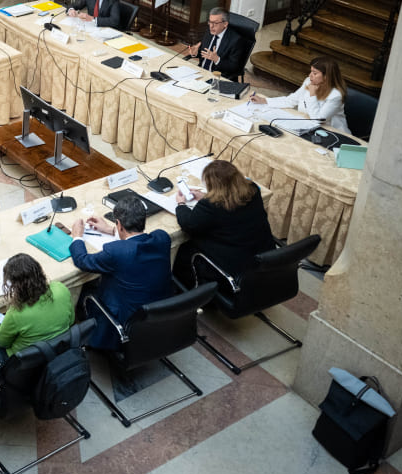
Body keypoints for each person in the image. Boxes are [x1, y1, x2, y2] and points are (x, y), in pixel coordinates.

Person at [70, 197, 172, 351]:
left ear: (118, 223)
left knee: (85, 292)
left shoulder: (116, 252)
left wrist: (77, 236)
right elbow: (137, 239)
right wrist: (110, 230)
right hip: (157, 314)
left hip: (125, 322)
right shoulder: (162, 238)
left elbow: (82, 261)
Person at [172, 159, 279, 289]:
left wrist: (181, 204)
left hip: (235, 268)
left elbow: (189, 225)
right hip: (265, 258)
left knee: (185, 248)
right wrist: (206, 195)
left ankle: (186, 290)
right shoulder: (253, 189)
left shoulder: (211, 205)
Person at [0, 253, 74, 364]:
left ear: (15, 285)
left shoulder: (17, 312)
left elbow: (3, 343)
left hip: (23, 364)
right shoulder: (60, 288)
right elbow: (71, 320)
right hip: (57, 351)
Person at [250, 55, 351, 133]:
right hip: (306, 125)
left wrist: (312, 95)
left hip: (330, 132)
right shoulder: (309, 81)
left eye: (315, 73)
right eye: (311, 71)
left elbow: (318, 119)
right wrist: (265, 100)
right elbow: (291, 100)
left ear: (326, 76)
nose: (310, 75)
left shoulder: (335, 96)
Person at [183, 7, 247, 82]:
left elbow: (234, 68)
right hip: (201, 74)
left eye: (215, 23)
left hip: (218, 78)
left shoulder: (236, 40)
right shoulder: (209, 32)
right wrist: (195, 53)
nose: (211, 26)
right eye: (210, 22)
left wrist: (217, 59)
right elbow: (205, 54)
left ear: (225, 24)